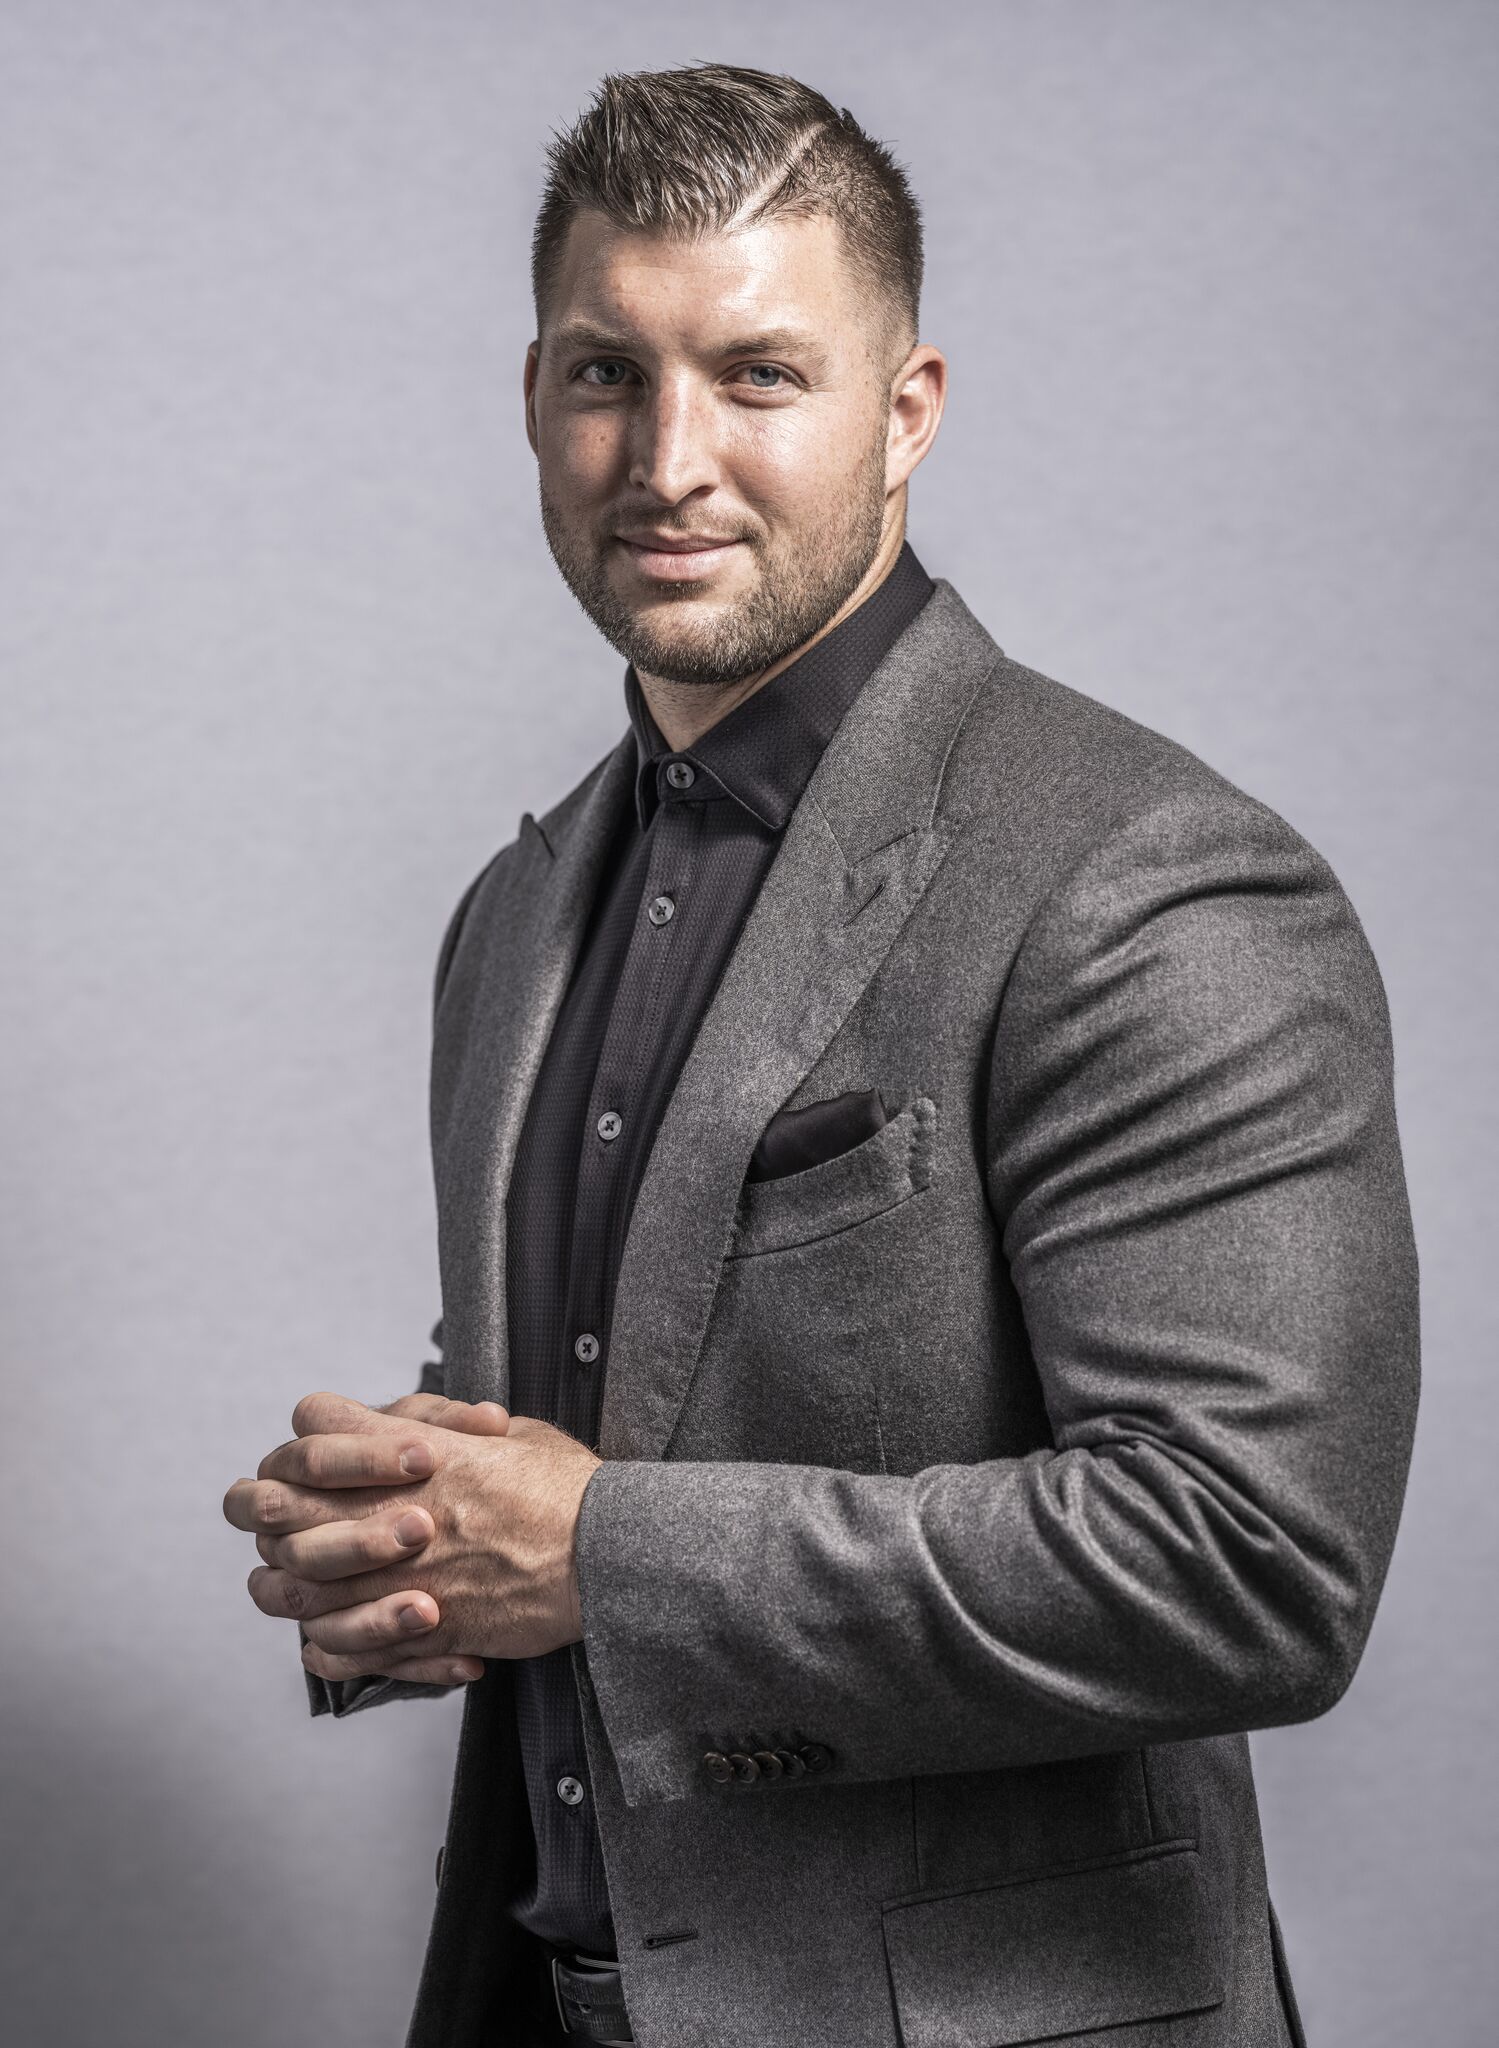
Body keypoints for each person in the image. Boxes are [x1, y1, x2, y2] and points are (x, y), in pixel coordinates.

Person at [221, 60, 1419, 2048]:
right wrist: (413, 1558)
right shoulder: (512, 918)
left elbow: (1251, 1559)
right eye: (608, 372)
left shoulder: (1147, 880)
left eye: (759, 376)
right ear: (535, 400)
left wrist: (595, 1552)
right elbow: (627, 1415)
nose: (666, 456)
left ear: (907, 415)